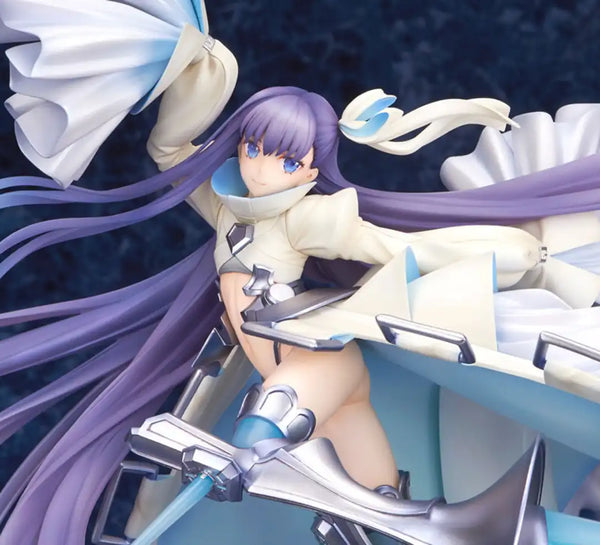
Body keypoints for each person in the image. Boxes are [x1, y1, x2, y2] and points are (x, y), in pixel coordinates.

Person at [0, 2, 599, 545]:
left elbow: (392, 246)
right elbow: (170, 153)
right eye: (254, 149)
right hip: (292, 367)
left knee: (272, 422)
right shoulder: (228, 206)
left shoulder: (309, 218)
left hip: (311, 356)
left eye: (286, 160)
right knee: (378, 494)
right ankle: (415, 519)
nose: (263, 168)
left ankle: (299, 467)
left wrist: (497, 250)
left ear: (312, 169)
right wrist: (197, 71)